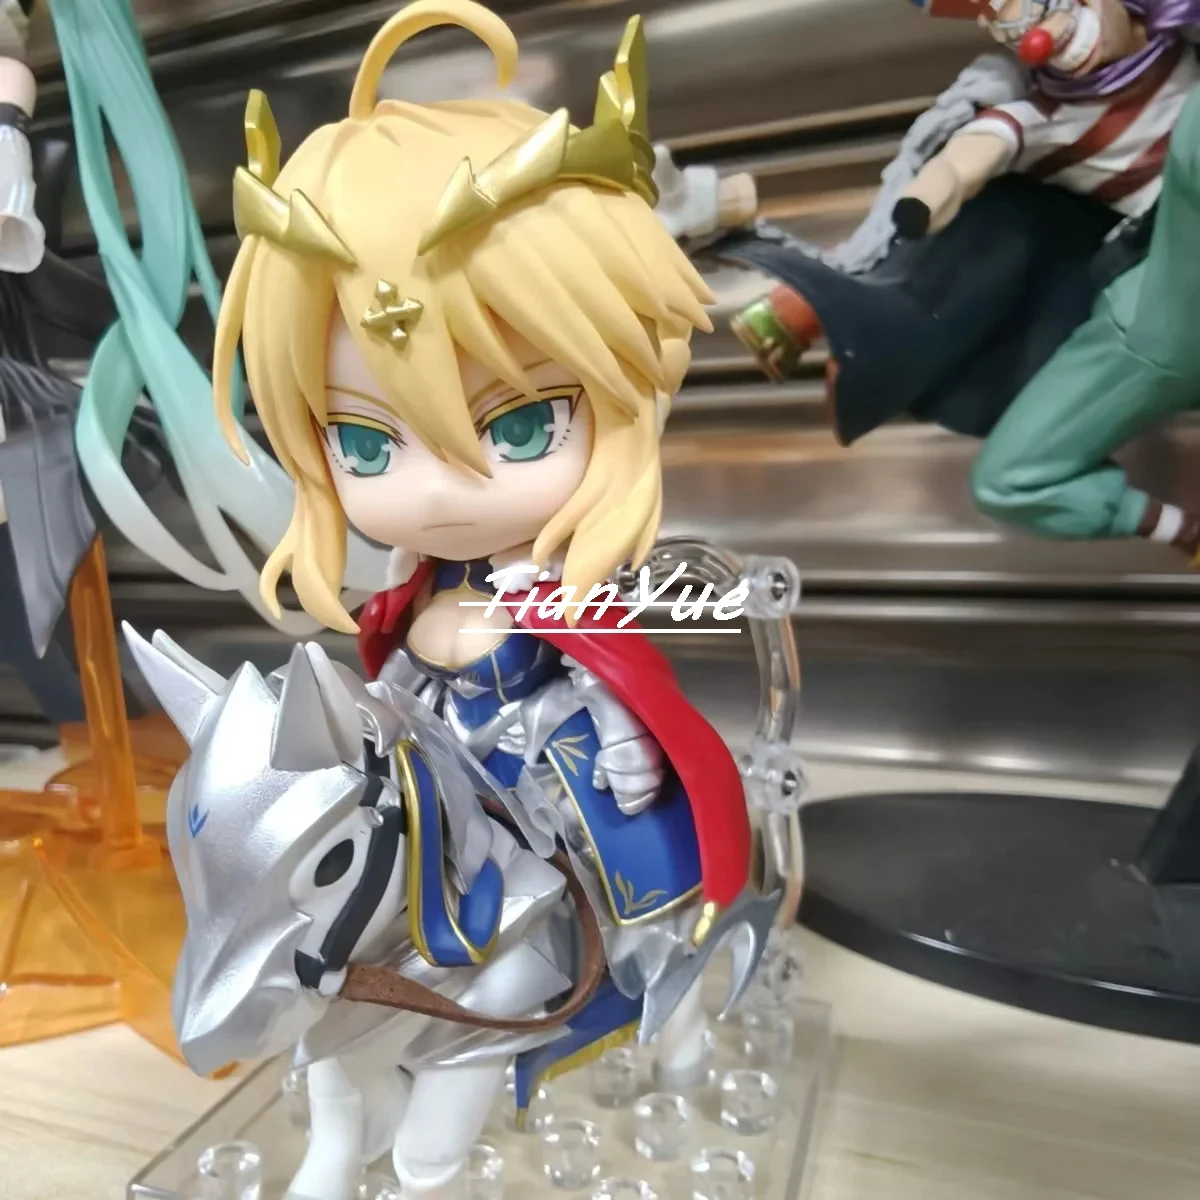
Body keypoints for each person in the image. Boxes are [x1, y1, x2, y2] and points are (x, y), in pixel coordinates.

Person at [212, 1, 753, 1128]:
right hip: (444, 766)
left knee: (627, 864)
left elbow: (607, 670)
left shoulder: (561, 591)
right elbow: (389, 678)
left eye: (520, 425)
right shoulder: (413, 589)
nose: (436, 487)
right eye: (366, 444)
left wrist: (621, 736)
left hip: (547, 763)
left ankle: (646, 980)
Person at [722, 0, 1200, 556]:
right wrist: (926, 197)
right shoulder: (1041, 118)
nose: (1045, 36)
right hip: (1158, 308)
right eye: (1020, 26)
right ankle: (1187, 533)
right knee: (1005, 478)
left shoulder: (1180, 53)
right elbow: (967, 158)